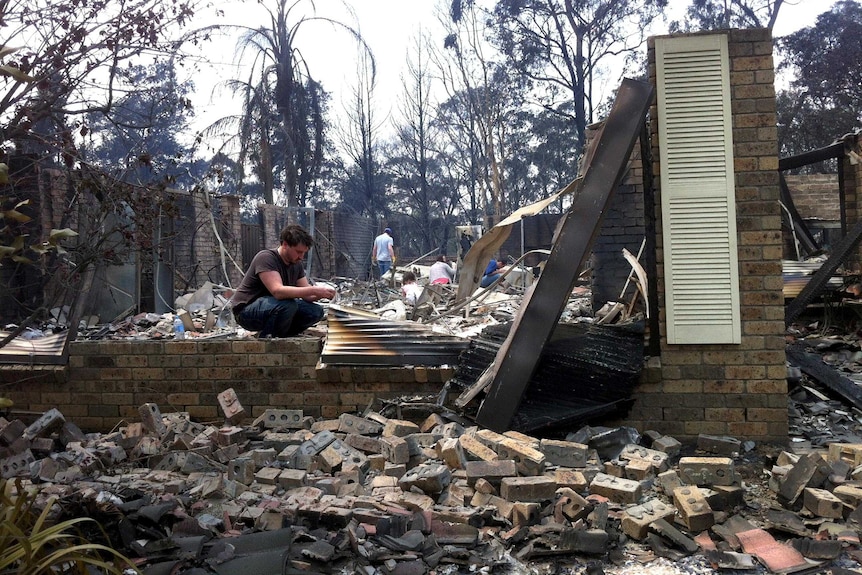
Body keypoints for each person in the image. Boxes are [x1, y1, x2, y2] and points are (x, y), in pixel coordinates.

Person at [230, 224, 335, 338]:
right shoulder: (266, 258)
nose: (301, 257)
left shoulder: (296, 264)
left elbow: (307, 295)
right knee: (288, 305)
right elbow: (278, 291)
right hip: (246, 312)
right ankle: (267, 339)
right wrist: (314, 289)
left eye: (304, 253)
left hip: (275, 307)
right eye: (298, 252)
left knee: (315, 311)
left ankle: (284, 336)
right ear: (285, 244)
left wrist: (322, 293)